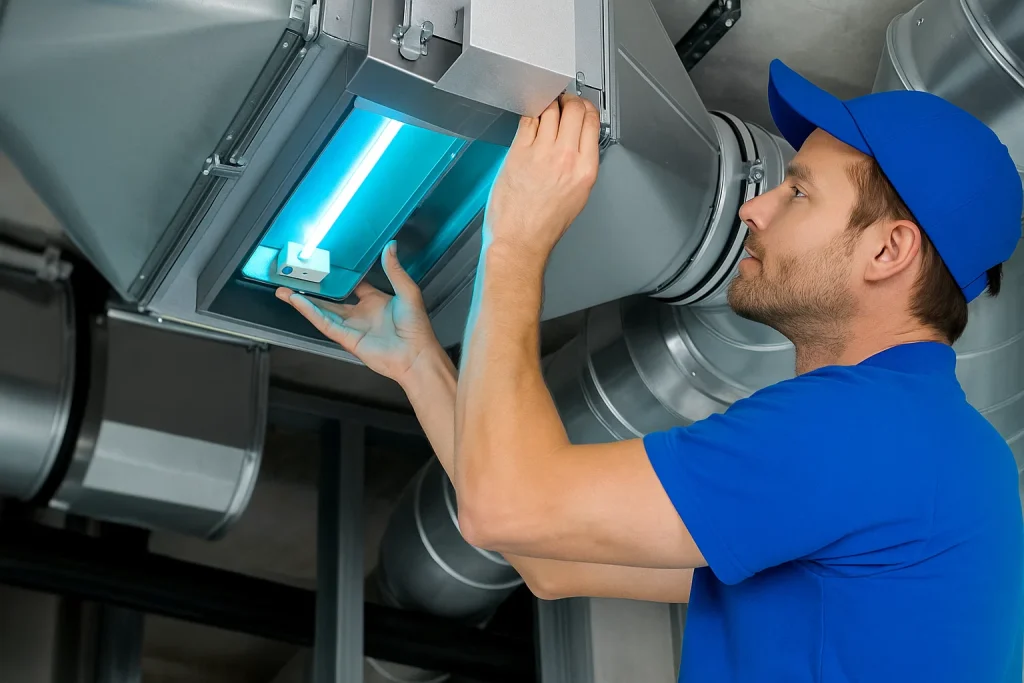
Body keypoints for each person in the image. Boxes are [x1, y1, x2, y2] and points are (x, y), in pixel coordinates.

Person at [278, 59, 1024, 683]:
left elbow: (506, 508)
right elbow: (549, 558)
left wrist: (517, 239)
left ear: (888, 252)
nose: (754, 209)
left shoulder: (872, 433)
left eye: (798, 191)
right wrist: (419, 363)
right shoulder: (906, 447)